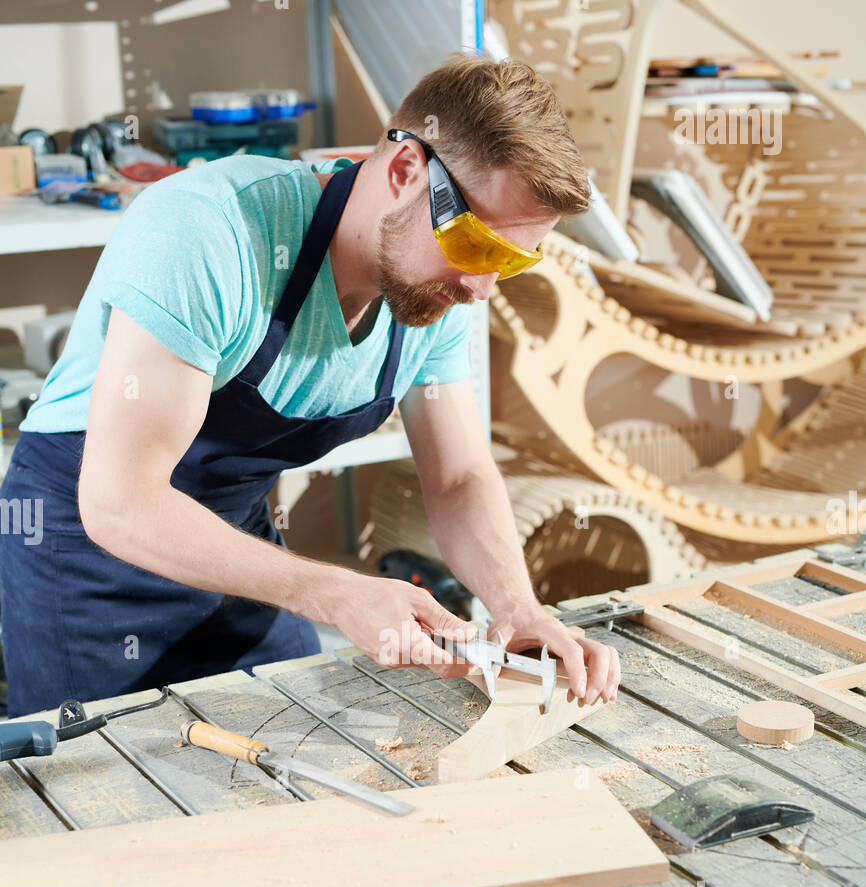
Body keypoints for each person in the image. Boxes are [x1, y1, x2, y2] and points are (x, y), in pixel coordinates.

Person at [0, 54, 621, 717]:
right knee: (121, 796)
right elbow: (121, 503)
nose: (481, 288)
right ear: (408, 170)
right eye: (476, 247)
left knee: (298, 751)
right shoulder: (207, 230)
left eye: (512, 260)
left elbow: (459, 477)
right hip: (86, 556)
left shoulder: (431, 293)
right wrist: (335, 594)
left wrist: (518, 611)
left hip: (233, 551)